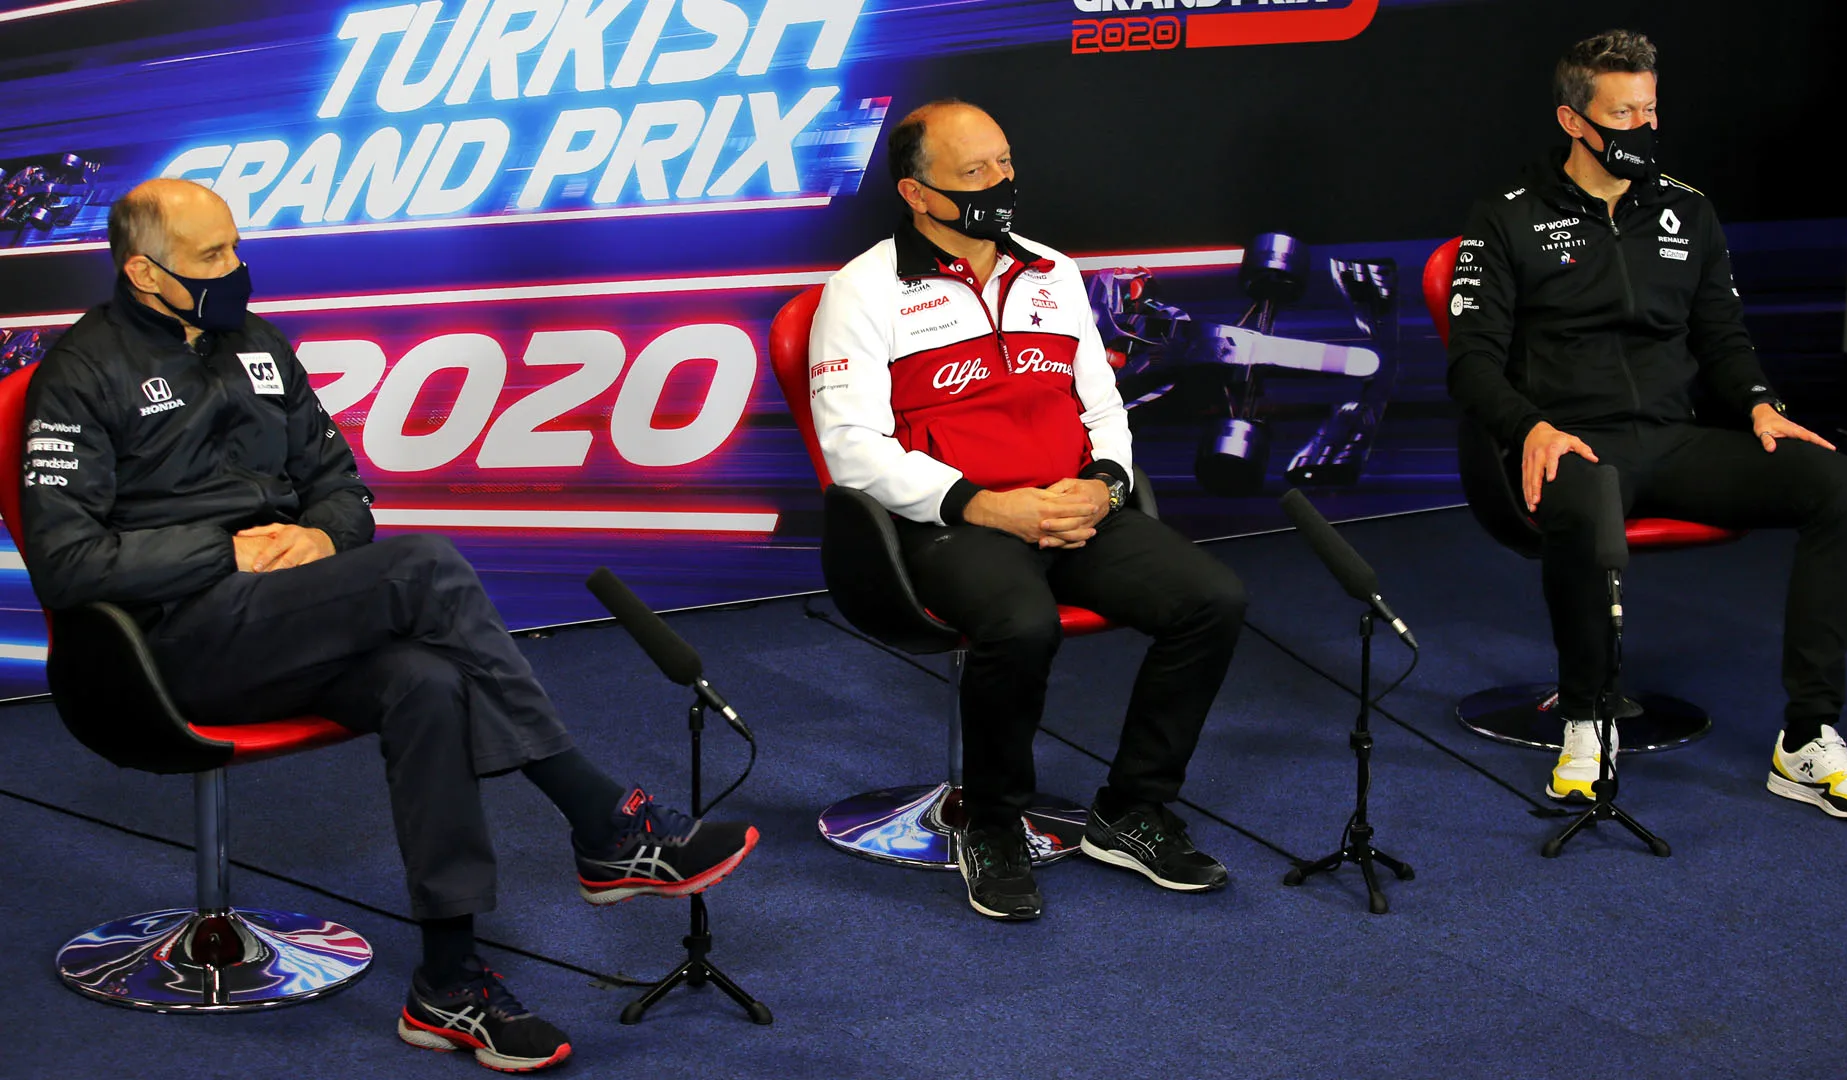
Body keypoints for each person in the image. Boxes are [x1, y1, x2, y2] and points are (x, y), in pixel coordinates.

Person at [18, 178, 759, 1071]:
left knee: (428, 680)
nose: (237, 270)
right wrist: (225, 553)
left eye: (236, 248)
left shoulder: (256, 343)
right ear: (143, 271)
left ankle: (448, 982)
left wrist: (317, 532)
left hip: (280, 623)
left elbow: (342, 486)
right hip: (164, 648)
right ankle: (604, 822)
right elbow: (65, 564)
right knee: (428, 567)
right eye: (212, 257)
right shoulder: (79, 373)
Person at [809, 100, 1248, 920]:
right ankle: (993, 820)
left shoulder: (1054, 272)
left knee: (1211, 600)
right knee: (1022, 624)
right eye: (973, 174)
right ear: (916, 193)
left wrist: (1107, 484)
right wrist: (984, 506)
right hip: (949, 524)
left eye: (1004, 164)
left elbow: (1104, 408)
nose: (999, 185)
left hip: (1071, 508)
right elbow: (851, 448)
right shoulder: (862, 290)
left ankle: (1131, 810)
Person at [1446, 31, 1847, 820]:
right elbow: (1471, 361)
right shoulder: (1505, 217)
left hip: (1673, 440)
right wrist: (1531, 426)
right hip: (1571, 441)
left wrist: (1758, 403)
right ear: (1574, 121)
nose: (1642, 129)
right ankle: (1587, 717)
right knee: (1585, 490)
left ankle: (1809, 738)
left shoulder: (1689, 209)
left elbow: (1723, 338)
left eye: (1650, 110)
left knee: (1836, 483)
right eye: (1623, 114)